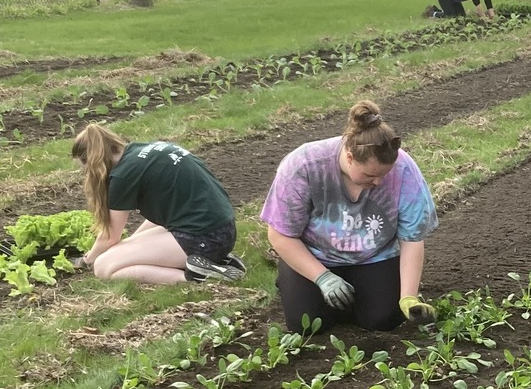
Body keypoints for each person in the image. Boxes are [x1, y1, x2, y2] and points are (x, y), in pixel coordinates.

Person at [261, 100, 440, 333]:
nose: (378, 182)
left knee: (383, 320)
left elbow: (412, 239)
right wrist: (323, 278)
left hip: (374, 256)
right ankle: (296, 282)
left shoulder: (404, 169)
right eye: (370, 175)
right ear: (349, 157)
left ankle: (362, 295)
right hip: (316, 256)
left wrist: (408, 297)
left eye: (383, 176)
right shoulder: (305, 165)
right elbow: (279, 235)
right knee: (306, 325)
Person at [70, 123, 244, 285]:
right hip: (222, 230)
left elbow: (110, 237)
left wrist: (87, 261)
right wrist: (127, 247)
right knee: (124, 248)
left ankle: (194, 277)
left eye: (84, 170)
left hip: (202, 238)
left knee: (103, 266)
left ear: (92, 163)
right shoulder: (143, 152)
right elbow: (163, 212)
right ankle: (215, 262)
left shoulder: (124, 175)